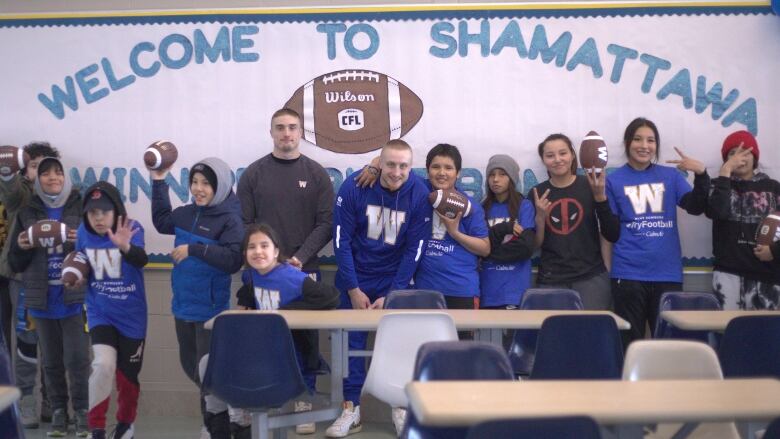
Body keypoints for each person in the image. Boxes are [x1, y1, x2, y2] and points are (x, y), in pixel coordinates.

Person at [236, 108, 334, 435]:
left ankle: (303, 402)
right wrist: (271, 260)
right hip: (263, 274)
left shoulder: (317, 174)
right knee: (263, 341)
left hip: (304, 272)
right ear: (271, 132)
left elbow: (326, 224)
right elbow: (246, 227)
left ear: (301, 132)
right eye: (280, 128)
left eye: (292, 127)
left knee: (305, 342)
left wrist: (300, 257)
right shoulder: (253, 174)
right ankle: (267, 399)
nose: (286, 133)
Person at [327, 139, 430, 438]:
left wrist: (394, 294)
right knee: (350, 346)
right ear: (379, 163)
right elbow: (340, 241)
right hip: (355, 279)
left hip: (393, 282)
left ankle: (400, 407)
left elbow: (415, 249)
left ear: (411, 167)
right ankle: (351, 409)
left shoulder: (420, 193)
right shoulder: (354, 187)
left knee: (398, 346)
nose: (396, 172)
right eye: (390, 164)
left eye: (403, 166)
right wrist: (352, 288)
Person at [151, 157, 244, 439]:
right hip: (183, 306)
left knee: (207, 372)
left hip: (210, 311)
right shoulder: (186, 213)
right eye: (194, 182)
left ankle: (213, 422)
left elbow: (232, 260)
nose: (198, 189)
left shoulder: (230, 218)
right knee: (190, 368)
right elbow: (161, 221)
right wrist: (158, 180)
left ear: (221, 186)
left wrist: (194, 249)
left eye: (206, 183)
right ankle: (227, 407)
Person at [225, 223, 340, 438]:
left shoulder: (291, 277)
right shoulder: (253, 276)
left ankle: (252, 411)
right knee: (214, 361)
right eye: (251, 247)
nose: (258, 252)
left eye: (264, 246)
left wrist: (286, 310)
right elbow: (248, 292)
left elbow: (331, 296)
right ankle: (240, 413)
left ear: (276, 251)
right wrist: (244, 303)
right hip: (266, 352)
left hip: (293, 356)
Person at [606, 118, 709, 347]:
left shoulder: (670, 176)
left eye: (651, 140)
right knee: (629, 344)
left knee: (668, 346)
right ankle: (629, 384)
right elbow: (609, 230)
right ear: (627, 143)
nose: (644, 145)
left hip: (667, 273)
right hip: (628, 273)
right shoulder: (613, 180)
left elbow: (695, 207)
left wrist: (701, 175)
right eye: (638, 139)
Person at [8, 156, 90, 437]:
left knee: (78, 360)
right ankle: (57, 411)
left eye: (58, 172)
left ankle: (81, 412)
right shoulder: (26, 211)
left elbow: (95, 249)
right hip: (41, 299)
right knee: (51, 362)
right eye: (46, 174)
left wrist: (79, 240)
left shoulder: (80, 205)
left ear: (65, 176)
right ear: (37, 179)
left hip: (74, 298)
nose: (52, 178)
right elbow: (15, 262)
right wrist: (22, 246)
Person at [68, 182, 148, 439]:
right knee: (103, 365)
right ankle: (97, 427)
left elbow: (141, 260)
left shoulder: (132, 228)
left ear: (116, 211)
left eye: (104, 212)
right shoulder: (83, 232)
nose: (98, 218)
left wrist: (125, 246)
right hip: (100, 312)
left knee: (127, 378)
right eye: (92, 213)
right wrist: (79, 276)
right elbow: (82, 262)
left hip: (132, 317)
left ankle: (125, 424)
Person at [0, 142, 57, 429]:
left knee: (52, 344)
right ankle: (25, 402)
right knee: (25, 342)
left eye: (48, 167)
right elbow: (12, 196)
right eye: (35, 166)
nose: (43, 174)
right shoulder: (21, 193)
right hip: (21, 277)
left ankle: (51, 401)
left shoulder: (64, 197)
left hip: (55, 280)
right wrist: (9, 174)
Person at [531, 134, 620, 310]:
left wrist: (600, 198)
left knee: (590, 334)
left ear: (573, 155)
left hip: (591, 278)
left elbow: (612, 233)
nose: (557, 160)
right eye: (550, 155)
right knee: (554, 335)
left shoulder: (592, 185)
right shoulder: (537, 193)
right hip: (551, 279)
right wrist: (540, 218)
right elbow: (533, 245)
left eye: (563, 153)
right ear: (543, 160)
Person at [701, 131, 780, 310]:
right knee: (726, 332)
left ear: (755, 157)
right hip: (727, 272)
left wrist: (774, 251)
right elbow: (716, 212)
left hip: (767, 275)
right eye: (732, 153)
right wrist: (725, 173)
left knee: (765, 334)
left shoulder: (774, 188)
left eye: (745, 152)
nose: (739, 158)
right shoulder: (717, 185)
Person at [415, 143, 490, 313]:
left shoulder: (469, 206)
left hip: (460, 290)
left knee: (461, 341)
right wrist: (375, 165)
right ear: (427, 171)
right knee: (424, 340)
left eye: (448, 168)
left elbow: (485, 249)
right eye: (436, 167)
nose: (442, 173)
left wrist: (455, 232)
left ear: (458, 173)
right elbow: (394, 168)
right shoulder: (419, 192)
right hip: (424, 290)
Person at [479, 154, 535, 309]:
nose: (495, 179)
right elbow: (478, 248)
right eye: (492, 174)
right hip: (488, 288)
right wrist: (505, 228)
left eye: (502, 174)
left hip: (515, 290)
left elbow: (526, 248)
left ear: (511, 178)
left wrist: (489, 253)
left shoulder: (524, 206)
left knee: (514, 334)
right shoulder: (481, 209)